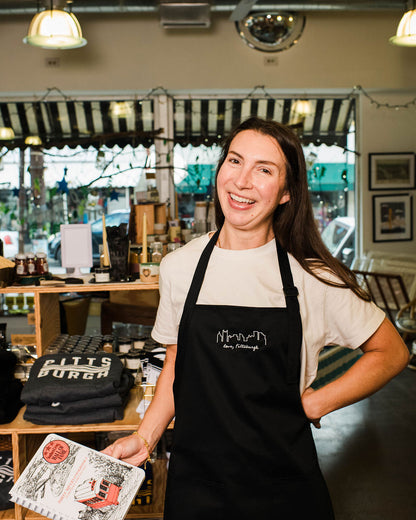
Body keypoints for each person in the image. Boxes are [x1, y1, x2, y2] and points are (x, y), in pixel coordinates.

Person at [103, 117, 409, 519]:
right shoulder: (180, 267)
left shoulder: (311, 277)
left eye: (264, 169)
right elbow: (178, 365)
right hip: (197, 486)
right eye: (235, 161)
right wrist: (145, 437)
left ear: (286, 192)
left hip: (285, 488)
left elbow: (391, 351)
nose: (242, 181)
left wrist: (316, 403)